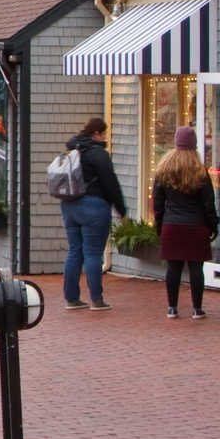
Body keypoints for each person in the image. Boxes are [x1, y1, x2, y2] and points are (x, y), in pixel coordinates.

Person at [62, 116, 127, 311]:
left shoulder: (72, 151)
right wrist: (121, 208)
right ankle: (96, 300)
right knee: (93, 253)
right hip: (94, 206)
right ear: (96, 133)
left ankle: (71, 298)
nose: (105, 137)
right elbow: (110, 182)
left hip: (69, 205)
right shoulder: (98, 154)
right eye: (104, 133)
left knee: (75, 251)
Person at [153, 126, 218, 320]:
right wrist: (213, 225)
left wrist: (159, 224)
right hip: (196, 226)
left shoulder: (165, 168)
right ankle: (197, 309)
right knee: (196, 268)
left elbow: (158, 201)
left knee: (173, 268)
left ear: (176, 143)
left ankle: (172, 308)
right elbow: (208, 203)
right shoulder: (200, 170)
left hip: (172, 225)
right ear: (194, 145)